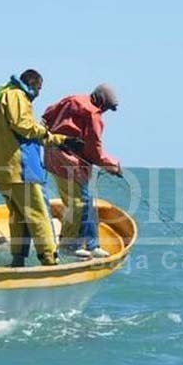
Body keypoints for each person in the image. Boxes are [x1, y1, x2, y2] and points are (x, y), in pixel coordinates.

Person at [0, 69, 84, 267]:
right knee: (39, 215)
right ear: (31, 84)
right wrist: (56, 138)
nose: (39, 94)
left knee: (19, 217)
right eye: (39, 88)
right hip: (22, 169)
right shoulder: (16, 96)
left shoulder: (4, 99)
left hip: (4, 171)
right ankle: (50, 261)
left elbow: (23, 131)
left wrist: (60, 141)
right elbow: (24, 126)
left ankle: (17, 260)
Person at [43, 84, 121, 259]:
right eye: (107, 107)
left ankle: (93, 245)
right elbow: (95, 150)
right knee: (78, 203)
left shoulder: (72, 99)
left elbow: (46, 115)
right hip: (69, 163)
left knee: (87, 202)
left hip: (51, 156)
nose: (105, 111)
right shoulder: (93, 114)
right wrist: (113, 166)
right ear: (101, 101)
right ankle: (68, 245)